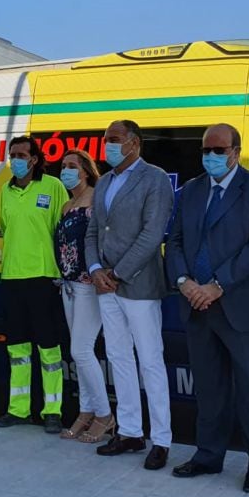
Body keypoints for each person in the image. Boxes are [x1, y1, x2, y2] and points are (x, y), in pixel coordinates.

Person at [165, 123, 249, 492]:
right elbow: (176, 241)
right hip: (196, 305)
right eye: (206, 150)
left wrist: (216, 286)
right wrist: (185, 283)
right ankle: (208, 456)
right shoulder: (191, 191)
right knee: (209, 389)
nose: (210, 156)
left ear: (235, 151)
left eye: (218, 150)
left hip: (239, 305)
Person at [85, 120, 174, 469]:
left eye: (114, 140)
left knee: (150, 361)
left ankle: (162, 439)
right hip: (105, 284)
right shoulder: (104, 180)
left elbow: (153, 234)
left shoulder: (154, 178)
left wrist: (118, 273)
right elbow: (93, 230)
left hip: (137, 284)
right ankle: (130, 432)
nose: (107, 146)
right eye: (105, 140)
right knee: (119, 358)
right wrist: (95, 270)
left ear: (134, 143)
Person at [0, 136, 70, 433]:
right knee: (17, 348)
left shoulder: (53, 186)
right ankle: (18, 409)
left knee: (49, 348)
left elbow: (61, 230)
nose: (16, 159)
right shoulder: (5, 189)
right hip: (12, 276)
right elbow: (6, 226)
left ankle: (52, 410)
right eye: (12, 155)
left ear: (35, 159)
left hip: (43, 277)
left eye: (22, 154)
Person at [55, 149, 114, 442]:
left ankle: (104, 415)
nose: (65, 170)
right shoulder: (67, 205)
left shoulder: (97, 199)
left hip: (90, 285)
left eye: (71, 166)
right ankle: (85, 413)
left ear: (86, 170)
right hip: (68, 285)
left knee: (81, 349)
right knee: (79, 352)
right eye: (63, 166)